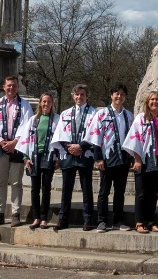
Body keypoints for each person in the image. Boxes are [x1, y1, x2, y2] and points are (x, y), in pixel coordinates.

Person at [0, 74, 33, 228]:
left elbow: (27, 126)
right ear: (4, 87)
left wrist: (15, 142)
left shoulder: (25, 105)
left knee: (16, 183)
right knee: (0, 182)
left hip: (17, 148)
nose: (11, 88)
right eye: (9, 85)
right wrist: (1, 141)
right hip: (0, 147)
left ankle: (15, 214)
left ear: (18, 87)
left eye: (14, 85)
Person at [84, 83, 134, 233]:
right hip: (107, 158)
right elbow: (95, 137)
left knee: (120, 191)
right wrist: (98, 158)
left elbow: (132, 137)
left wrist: (132, 157)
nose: (119, 96)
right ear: (111, 95)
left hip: (123, 158)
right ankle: (102, 221)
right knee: (104, 191)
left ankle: (118, 221)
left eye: (122, 94)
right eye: (116, 93)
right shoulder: (102, 114)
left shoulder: (128, 115)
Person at [50, 84, 96, 231]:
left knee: (86, 188)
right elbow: (60, 133)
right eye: (76, 94)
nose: (79, 97)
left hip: (85, 153)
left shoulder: (94, 113)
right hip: (68, 154)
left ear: (87, 96)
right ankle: (63, 219)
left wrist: (80, 147)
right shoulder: (65, 113)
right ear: (73, 96)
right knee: (66, 189)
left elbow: (95, 133)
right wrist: (69, 148)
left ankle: (87, 219)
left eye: (82, 94)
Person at [121, 91, 158, 233]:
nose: (155, 102)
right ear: (147, 102)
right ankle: (139, 222)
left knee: (153, 194)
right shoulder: (141, 118)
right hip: (144, 160)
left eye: (157, 99)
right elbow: (134, 138)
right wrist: (137, 159)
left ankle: (150, 221)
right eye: (152, 99)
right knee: (141, 193)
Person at [14, 93, 58, 230]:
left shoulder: (57, 119)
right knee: (34, 189)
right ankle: (36, 217)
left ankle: (44, 218)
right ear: (40, 103)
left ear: (52, 103)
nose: (46, 104)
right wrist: (25, 157)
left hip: (49, 155)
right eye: (44, 101)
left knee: (46, 188)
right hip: (34, 156)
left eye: (49, 101)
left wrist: (58, 158)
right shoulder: (33, 119)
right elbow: (25, 138)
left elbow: (60, 139)